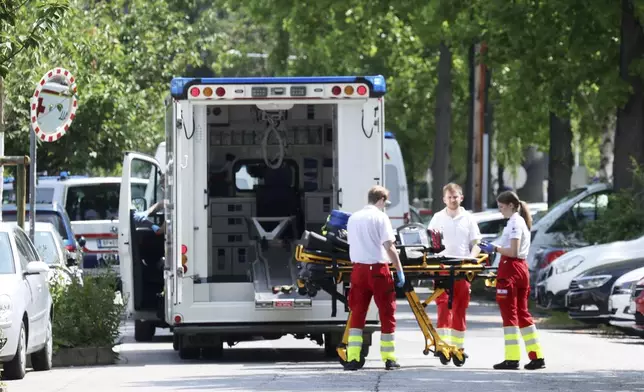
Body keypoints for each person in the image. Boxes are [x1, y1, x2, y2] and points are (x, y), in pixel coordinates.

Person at [479, 190, 546, 370]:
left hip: (511, 269)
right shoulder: (519, 221)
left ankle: (512, 358)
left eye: (502, 207)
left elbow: (513, 251)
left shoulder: (515, 223)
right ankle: (537, 356)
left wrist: (494, 248)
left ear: (510, 205)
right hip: (520, 269)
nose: (500, 211)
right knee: (523, 313)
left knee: (510, 314)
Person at [345, 185, 405, 371]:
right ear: (381, 199)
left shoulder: (353, 218)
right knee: (387, 313)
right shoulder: (381, 217)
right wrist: (399, 269)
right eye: (385, 202)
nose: (385, 205)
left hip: (358, 271)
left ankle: (353, 358)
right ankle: (389, 358)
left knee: (357, 313)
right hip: (378, 270)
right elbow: (389, 246)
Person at [427, 183, 482, 355]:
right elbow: (429, 243)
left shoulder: (468, 218)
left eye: (455, 197)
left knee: (460, 307)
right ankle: (442, 345)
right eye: (449, 197)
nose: (452, 200)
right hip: (442, 266)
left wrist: (471, 258)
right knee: (443, 305)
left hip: (462, 267)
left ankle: (458, 347)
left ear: (461, 198)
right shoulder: (437, 217)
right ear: (444, 199)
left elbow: (477, 243)